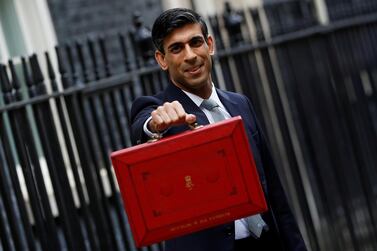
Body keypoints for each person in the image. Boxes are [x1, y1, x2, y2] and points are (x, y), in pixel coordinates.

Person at [130, 8, 307, 251]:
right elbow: (142, 127)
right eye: (177, 48)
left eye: (196, 42)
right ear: (162, 60)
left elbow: (275, 194)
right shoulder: (159, 110)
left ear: (210, 44)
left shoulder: (240, 103)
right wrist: (155, 125)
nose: (190, 55)